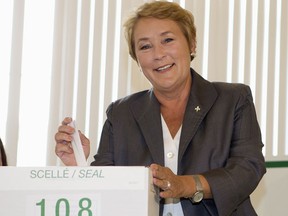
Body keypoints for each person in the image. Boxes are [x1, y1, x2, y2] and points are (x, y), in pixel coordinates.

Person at [55, 1, 266, 215]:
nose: (158, 54)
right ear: (136, 59)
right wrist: (78, 166)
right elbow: (108, 190)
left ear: (192, 43)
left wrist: (185, 185)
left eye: (168, 40)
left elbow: (247, 169)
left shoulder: (233, 99)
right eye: (145, 46)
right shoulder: (120, 114)